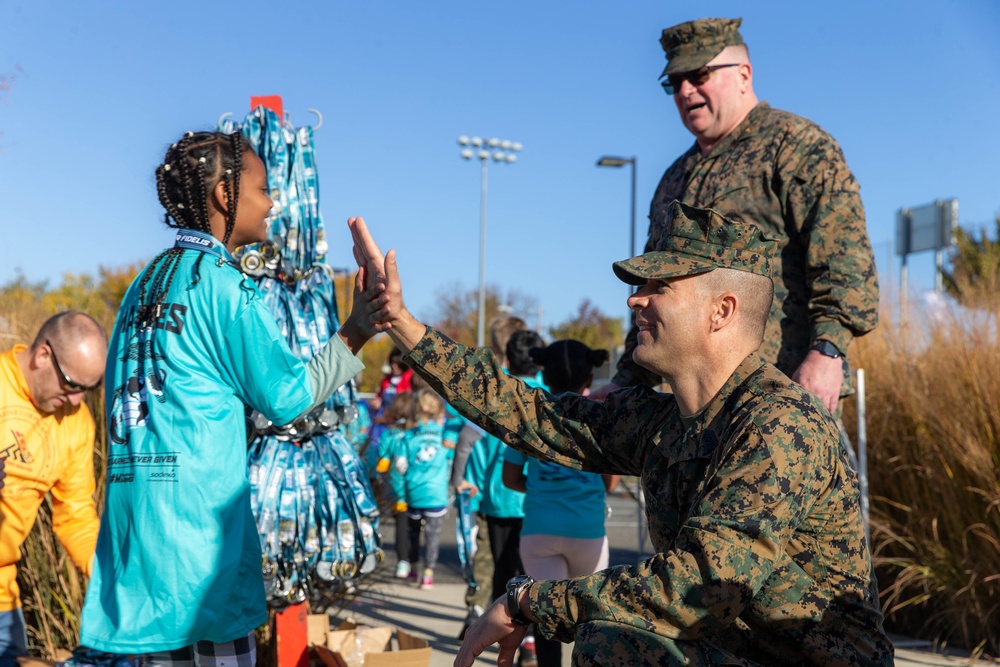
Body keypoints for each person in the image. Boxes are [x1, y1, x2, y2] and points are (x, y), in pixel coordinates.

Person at [348, 203, 893, 666]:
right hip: (739, 649)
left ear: (721, 311)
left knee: (612, 646)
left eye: (659, 285)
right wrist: (400, 322)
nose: (635, 299)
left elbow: (701, 587)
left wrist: (528, 602)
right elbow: (528, 414)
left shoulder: (778, 424)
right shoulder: (666, 418)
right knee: (609, 641)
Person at [79, 132, 383, 662]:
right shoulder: (223, 285)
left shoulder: (142, 285)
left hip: (139, 556)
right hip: (201, 555)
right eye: (263, 189)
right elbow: (287, 398)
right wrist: (356, 328)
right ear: (225, 194)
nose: (272, 203)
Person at [604, 17, 878, 416]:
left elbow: (845, 258)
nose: (685, 91)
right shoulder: (675, 177)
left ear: (744, 74)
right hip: (691, 408)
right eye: (674, 82)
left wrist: (827, 351)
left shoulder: (796, 146)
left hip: (778, 397)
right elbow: (656, 289)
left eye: (699, 75)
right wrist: (625, 382)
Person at [502, 339, 620, 667]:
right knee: (592, 617)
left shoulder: (532, 417)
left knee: (545, 616)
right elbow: (610, 482)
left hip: (539, 530)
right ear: (590, 378)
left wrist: (543, 489)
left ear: (544, 373)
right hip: (588, 531)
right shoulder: (599, 419)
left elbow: (509, 479)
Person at [0, 311, 106, 667]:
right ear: (43, 355)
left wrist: (110, 580)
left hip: (3, 600)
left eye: (89, 390)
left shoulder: (77, 424)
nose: (77, 401)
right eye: (73, 385)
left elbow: (75, 517)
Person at [451, 316, 526, 638]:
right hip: (512, 493)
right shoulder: (528, 388)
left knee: (489, 562)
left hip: (491, 492)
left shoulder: (492, 389)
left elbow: (465, 437)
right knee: (514, 568)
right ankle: (512, 630)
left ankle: (481, 616)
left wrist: (457, 478)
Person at [395, 388, 451, 589]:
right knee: (433, 535)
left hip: (414, 491)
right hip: (436, 493)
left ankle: (412, 567)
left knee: (413, 532)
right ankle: (428, 574)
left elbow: (400, 464)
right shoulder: (445, 435)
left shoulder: (409, 435)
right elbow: (452, 459)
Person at [374, 390, 417, 577]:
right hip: (417, 486)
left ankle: (403, 561)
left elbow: (382, 464)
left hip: (395, 488)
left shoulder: (388, 435)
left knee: (401, 523)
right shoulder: (416, 435)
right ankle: (415, 562)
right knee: (415, 525)